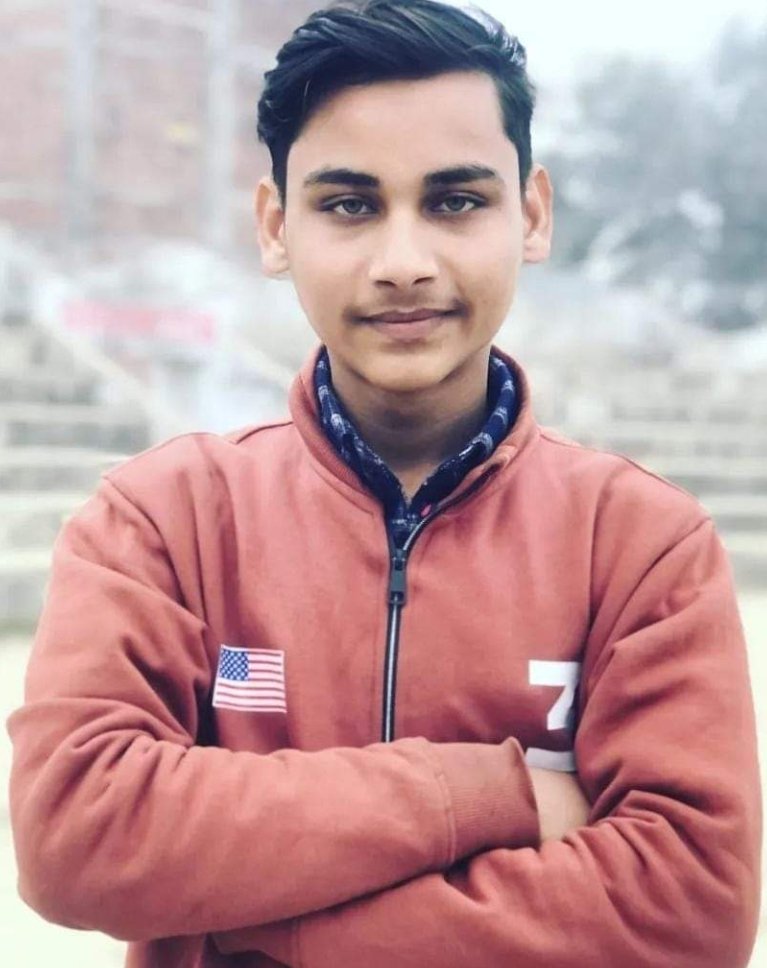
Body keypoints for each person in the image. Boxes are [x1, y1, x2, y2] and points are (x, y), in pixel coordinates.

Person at [8, 1, 760, 966]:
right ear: (276, 227)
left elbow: (690, 905)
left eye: (455, 202)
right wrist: (488, 795)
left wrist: (244, 916)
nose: (403, 264)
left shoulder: (641, 542)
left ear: (530, 215)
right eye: (350, 206)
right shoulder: (162, 519)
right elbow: (78, 836)